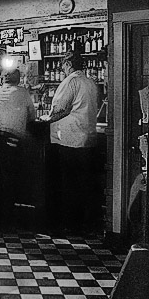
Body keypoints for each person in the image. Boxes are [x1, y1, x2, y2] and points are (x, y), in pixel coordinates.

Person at [41, 50, 100, 235]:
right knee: (85, 184)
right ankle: (86, 224)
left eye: (63, 66)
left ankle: (70, 225)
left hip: (70, 140)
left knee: (69, 184)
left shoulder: (71, 81)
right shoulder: (90, 82)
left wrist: (47, 119)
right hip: (88, 138)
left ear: (67, 65)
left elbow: (61, 109)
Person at [0, 68, 35, 232]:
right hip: (8, 142)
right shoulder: (23, 93)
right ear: (19, 79)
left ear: (3, 79)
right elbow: (32, 117)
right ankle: (5, 223)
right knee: (7, 183)